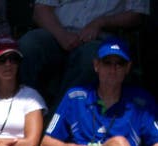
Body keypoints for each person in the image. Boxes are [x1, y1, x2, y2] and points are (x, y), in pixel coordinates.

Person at [40, 38, 158, 146]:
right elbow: (46, 145)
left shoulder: (142, 101)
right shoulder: (75, 97)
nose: (113, 69)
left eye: (119, 64)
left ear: (128, 68)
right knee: (117, 144)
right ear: (96, 65)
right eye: (107, 63)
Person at [18, 0, 150, 106]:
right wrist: (61, 35)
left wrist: (101, 22)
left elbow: (137, 15)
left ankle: (56, 123)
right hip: (57, 32)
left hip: (100, 38)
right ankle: (20, 115)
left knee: (92, 59)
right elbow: (41, 9)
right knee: (28, 45)